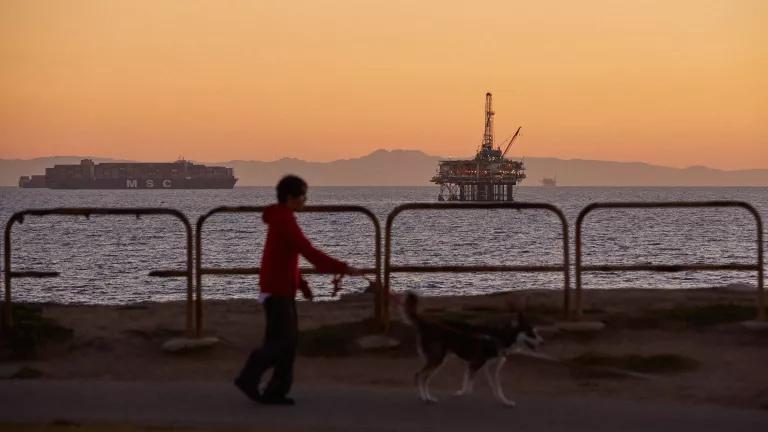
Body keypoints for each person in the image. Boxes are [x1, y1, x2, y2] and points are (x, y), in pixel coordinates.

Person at [235, 174, 358, 406]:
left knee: (285, 342)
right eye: (303, 195)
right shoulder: (284, 220)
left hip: (281, 288)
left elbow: (288, 258)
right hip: (276, 289)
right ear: (291, 197)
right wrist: (342, 267)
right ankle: (249, 377)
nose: (306, 200)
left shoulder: (283, 218)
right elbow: (308, 251)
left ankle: (275, 391)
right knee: (282, 342)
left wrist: (302, 285)